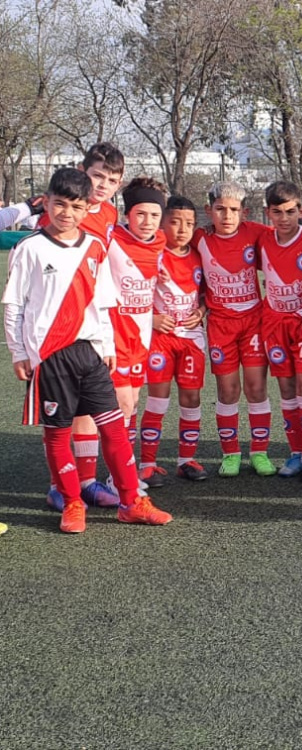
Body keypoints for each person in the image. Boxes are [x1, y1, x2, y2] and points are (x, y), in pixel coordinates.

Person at [2, 168, 172, 533]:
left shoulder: (95, 247)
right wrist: (18, 352)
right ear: (46, 203)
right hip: (50, 357)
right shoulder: (28, 247)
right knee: (58, 433)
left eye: (76, 207)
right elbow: (14, 305)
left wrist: (107, 345)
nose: (67, 213)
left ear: (85, 210)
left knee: (113, 429)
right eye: (59, 204)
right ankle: (72, 502)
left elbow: (102, 301)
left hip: (91, 353)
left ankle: (131, 501)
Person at [32, 143, 126, 511]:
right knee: (60, 412)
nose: (102, 185)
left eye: (111, 180)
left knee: (87, 407)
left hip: (91, 324)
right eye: (97, 175)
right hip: (55, 328)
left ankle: (85, 481)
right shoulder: (61, 214)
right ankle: (59, 485)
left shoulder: (109, 214)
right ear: (81, 170)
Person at [194, 181, 275, 477]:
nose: (227, 216)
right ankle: (230, 454)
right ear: (209, 210)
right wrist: (201, 305)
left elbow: (299, 234)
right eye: (220, 209)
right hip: (220, 325)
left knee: (256, 387)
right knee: (228, 391)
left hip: (253, 323)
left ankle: (259, 451)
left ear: (244, 212)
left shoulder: (255, 232)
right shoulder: (198, 239)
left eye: (233, 210)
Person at [138, 196, 209, 485]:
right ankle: (147, 463)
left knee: (191, 399)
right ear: (162, 222)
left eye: (189, 223)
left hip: (192, 339)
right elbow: (132, 293)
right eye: (175, 221)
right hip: (160, 339)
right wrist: (151, 319)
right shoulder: (150, 253)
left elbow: (206, 293)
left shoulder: (198, 254)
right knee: (158, 399)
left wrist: (202, 310)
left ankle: (185, 460)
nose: (182, 229)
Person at [259, 181, 302, 482]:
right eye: (277, 212)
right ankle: (296, 452)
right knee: (286, 390)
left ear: (301, 210)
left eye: (290, 211)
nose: (284, 218)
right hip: (274, 325)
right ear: (267, 213)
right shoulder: (260, 239)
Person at [106, 178, 168, 462]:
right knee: (123, 404)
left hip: (142, 338)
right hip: (114, 336)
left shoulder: (161, 241)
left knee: (130, 405)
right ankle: (117, 477)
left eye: (154, 215)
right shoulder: (111, 238)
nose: (147, 221)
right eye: (140, 214)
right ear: (127, 213)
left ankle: (122, 472)